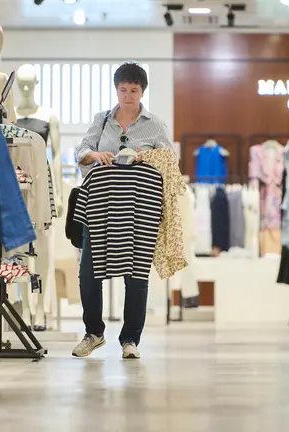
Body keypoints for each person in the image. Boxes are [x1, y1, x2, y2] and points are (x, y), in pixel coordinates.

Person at [72, 62, 172, 359]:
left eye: (134, 90)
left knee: (137, 275)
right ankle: (93, 333)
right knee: (89, 272)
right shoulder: (101, 120)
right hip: (100, 206)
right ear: (116, 90)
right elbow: (81, 150)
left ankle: (130, 339)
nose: (128, 96)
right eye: (123, 89)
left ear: (143, 91)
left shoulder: (155, 124)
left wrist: (147, 155)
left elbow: (170, 161)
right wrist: (94, 154)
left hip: (141, 209)